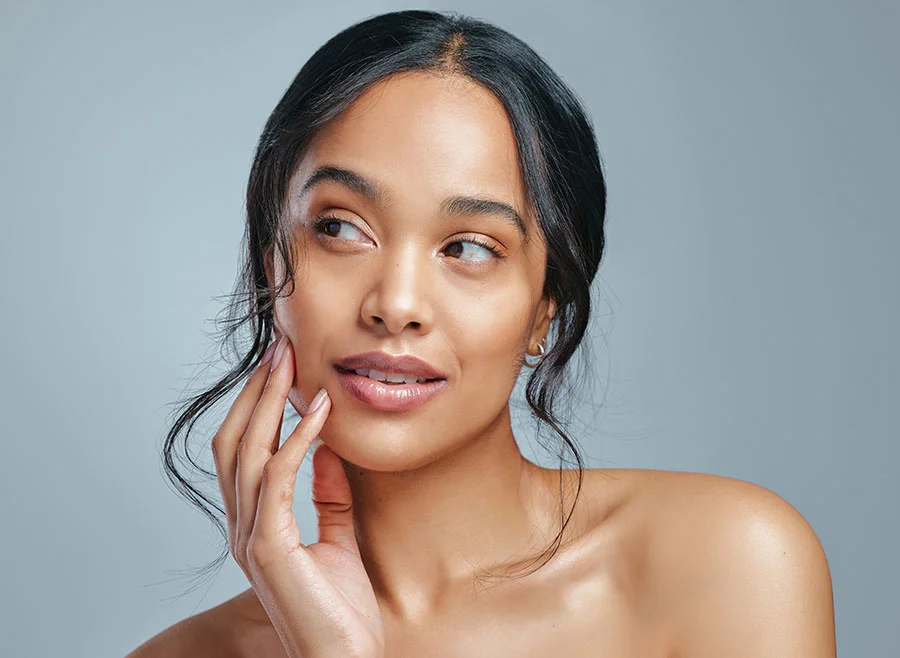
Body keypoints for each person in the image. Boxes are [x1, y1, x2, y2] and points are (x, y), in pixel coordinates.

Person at [127, 9, 836, 658]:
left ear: (544, 308)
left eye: (469, 247)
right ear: (267, 262)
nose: (396, 304)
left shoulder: (729, 563)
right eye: (341, 228)